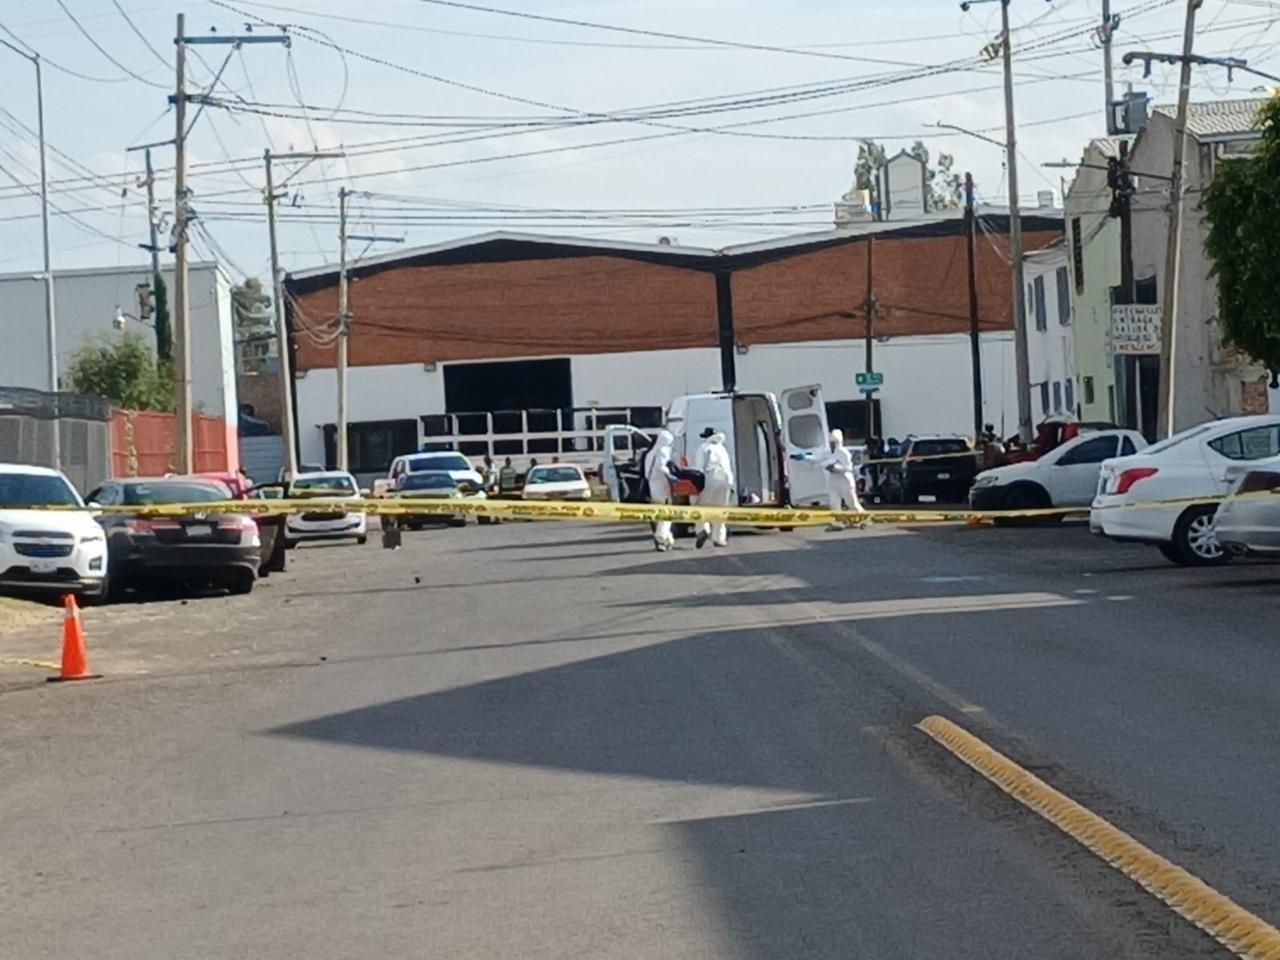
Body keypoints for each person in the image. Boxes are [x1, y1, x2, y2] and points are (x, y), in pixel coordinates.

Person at [693, 427, 734, 549]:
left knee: (701, 507)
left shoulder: (704, 448)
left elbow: (698, 468)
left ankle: (702, 530)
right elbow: (729, 468)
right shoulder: (722, 449)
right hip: (725, 480)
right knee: (720, 511)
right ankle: (719, 538)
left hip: (710, 478)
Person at [821, 428, 863, 531]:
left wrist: (836, 468)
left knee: (851, 502)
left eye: (833, 442)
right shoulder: (827, 453)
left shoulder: (845, 453)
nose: (831, 444)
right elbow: (818, 459)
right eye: (830, 442)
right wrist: (806, 457)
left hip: (845, 481)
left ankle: (863, 518)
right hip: (833, 481)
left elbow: (848, 468)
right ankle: (838, 522)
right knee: (834, 503)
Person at [644, 429, 677, 551]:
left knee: (659, 511)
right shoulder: (663, 451)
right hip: (661, 484)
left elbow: (646, 472)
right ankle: (661, 536)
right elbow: (661, 467)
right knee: (667, 512)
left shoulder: (650, 453)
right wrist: (671, 476)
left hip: (652, 484)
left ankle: (668, 540)